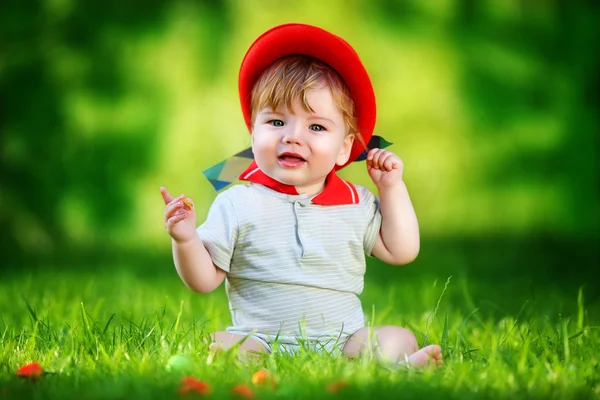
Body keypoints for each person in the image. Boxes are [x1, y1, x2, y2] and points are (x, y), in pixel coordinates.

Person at [160, 23, 442, 367]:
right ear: (252, 134)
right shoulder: (237, 203)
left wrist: (391, 188)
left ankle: (399, 366)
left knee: (398, 337)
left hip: (344, 341)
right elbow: (203, 281)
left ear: (344, 149)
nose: (292, 137)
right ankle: (390, 367)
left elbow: (403, 250)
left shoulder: (355, 202)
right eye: (276, 122)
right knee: (221, 344)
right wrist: (185, 239)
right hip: (261, 340)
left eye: (316, 127)